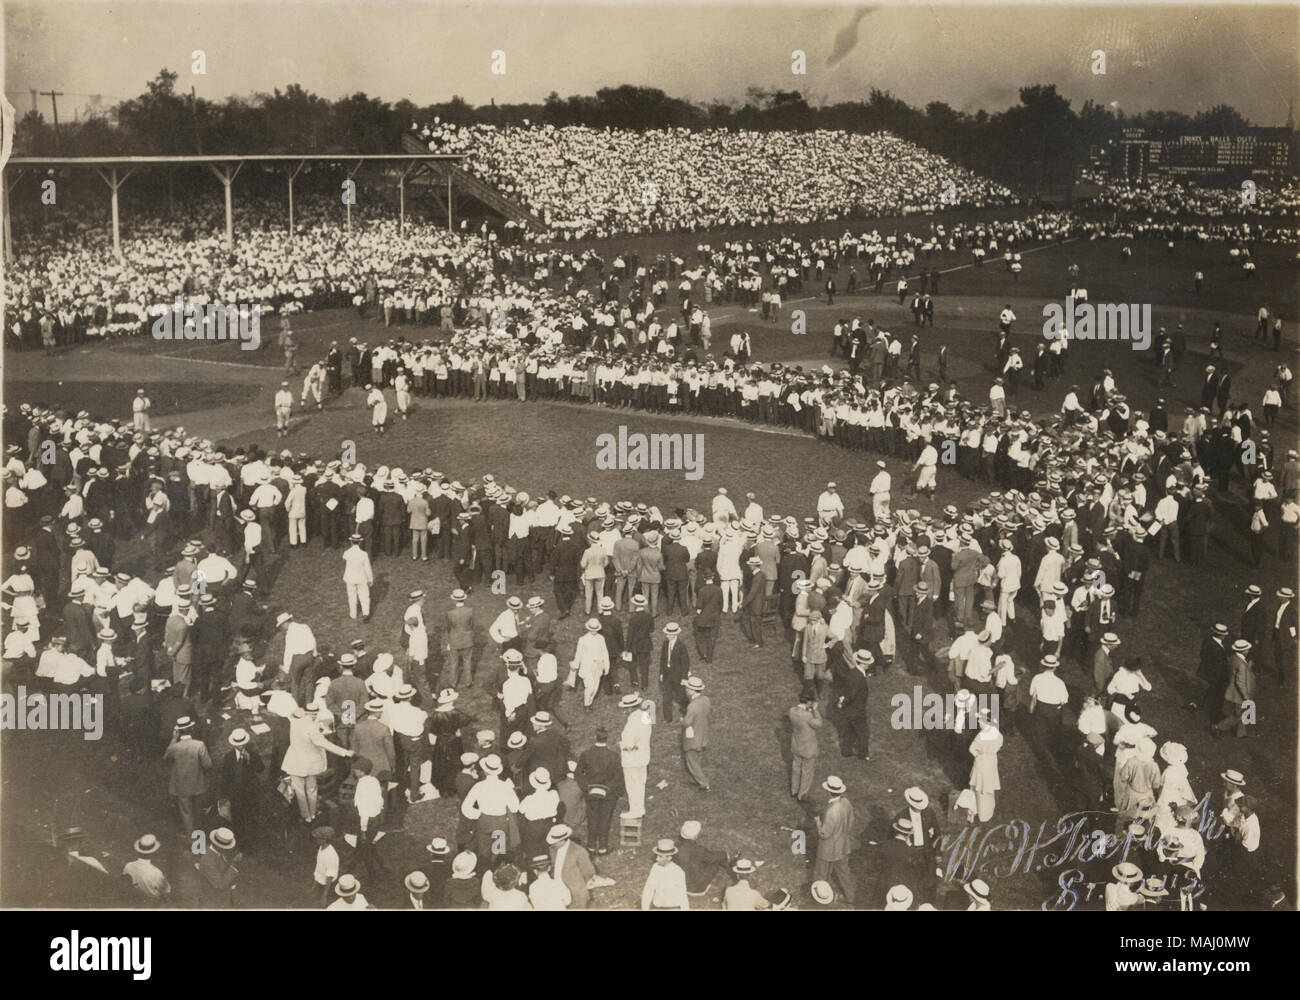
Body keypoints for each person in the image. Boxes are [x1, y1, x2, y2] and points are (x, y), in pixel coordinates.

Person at [575, 726, 623, 855]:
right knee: (605, 819)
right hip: (608, 795)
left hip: (591, 794)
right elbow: (618, 777)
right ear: (607, 739)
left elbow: (578, 774)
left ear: (595, 738)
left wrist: (587, 788)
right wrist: (608, 789)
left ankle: (590, 846)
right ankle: (602, 847)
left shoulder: (586, 754)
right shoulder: (614, 756)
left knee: (592, 818)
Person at [164, 716, 211, 834]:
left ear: (178, 731)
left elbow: (166, 757)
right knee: (197, 809)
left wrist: (174, 739)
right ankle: (200, 832)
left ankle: (191, 835)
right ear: (192, 729)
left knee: (186, 811)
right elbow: (208, 765)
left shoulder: (175, 747)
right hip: (198, 783)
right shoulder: (199, 745)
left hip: (181, 785)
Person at [813, 775, 856, 904]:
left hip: (828, 850)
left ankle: (819, 897)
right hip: (843, 846)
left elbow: (824, 834)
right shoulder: (846, 802)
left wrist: (818, 823)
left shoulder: (831, 811)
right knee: (844, 873)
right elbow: (851, 821)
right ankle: (851, 897)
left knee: (821, 874)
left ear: (828, 791)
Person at [618, 692, 651, 819]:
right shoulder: (645, 716)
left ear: (629, 708)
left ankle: (635, 810)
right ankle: (640, 809)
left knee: (632, 786)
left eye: (625, 709)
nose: (624, 712)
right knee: (640, 784)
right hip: (643, 756)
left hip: (632, 759)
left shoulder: (631, 722)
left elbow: (629, 744)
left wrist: (620, 744)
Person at [788, 689, 822, 801]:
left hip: (796, 745)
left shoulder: (792, 711)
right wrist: (815, 710)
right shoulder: (808, 716)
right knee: (807, 771)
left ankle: (794, 790)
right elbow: (819, 723)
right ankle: (802, 795)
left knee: (796, 768)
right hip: (808, 748)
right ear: (809, 702)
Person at [122, 834, 171, 905]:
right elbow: (166, 892)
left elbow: (125, 884)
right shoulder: (156, 872)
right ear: (153, 852)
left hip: (134, 902)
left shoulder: (128, 866)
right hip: (152, 905)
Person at [641, 839, 690, 910]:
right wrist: (644, 908)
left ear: (669, 858)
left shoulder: (678, 872)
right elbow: (648, 889)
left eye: (660, 856)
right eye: (657, 856)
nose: (657, 859)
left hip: (673, 908)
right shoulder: (655, 868)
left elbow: (682, 896)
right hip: (657, 907)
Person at [681, 675, 711, 792]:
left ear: (692, 690)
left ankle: (704, 783)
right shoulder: (706, 700)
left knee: (691, 762)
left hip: (693, 737)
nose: (686, 690)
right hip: (703, 734)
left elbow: (687, 722)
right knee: (697, 758)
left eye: (687, 688)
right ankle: (697, 779)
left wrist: (681, 721)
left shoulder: (692, 706)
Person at [342, 533, 373, 622]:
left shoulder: (347, 553)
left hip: (350, 578)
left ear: (351, 542)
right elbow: (367, 568)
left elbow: (344, 557)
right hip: (361, 578)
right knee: (364, 596)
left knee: (351, 596)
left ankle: (353, 614)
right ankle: (366, 613)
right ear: (360, 543)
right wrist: (370, 579)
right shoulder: (363, 554)